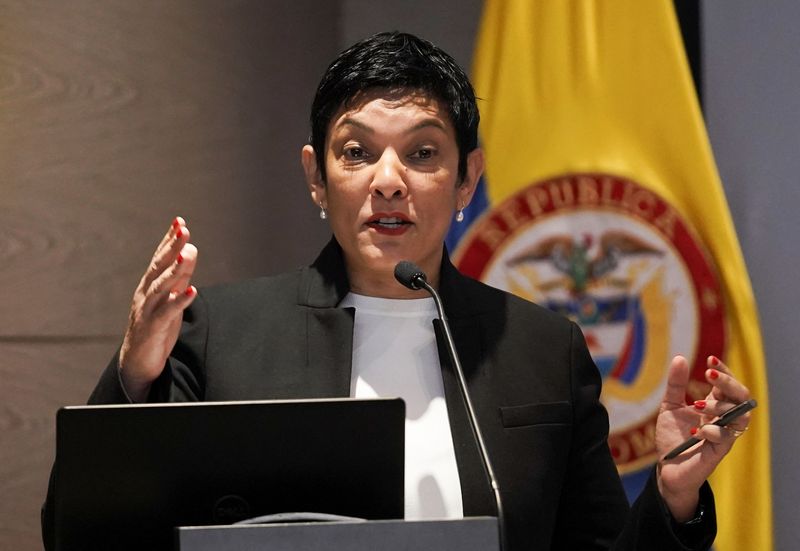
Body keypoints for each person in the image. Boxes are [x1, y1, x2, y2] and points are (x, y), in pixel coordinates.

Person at [44, 32, 752, 550]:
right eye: (356, 152)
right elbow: (82, 535)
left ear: (468, 178)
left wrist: (673, 495)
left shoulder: (541, 349)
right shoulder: (222, 332)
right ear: (316, 176)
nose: (388, 179)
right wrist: (135, 373)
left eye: (422, 153)